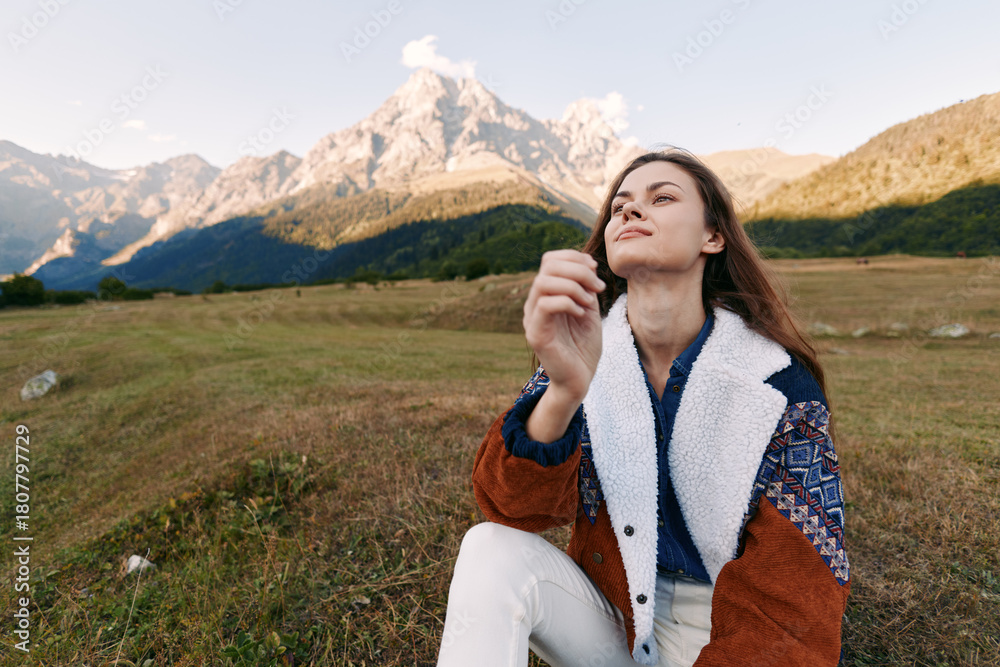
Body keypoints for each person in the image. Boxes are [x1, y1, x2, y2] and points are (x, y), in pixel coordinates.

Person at [436, 149, 850, 666]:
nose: (629, 211)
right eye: (619, 205)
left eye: (662, 198)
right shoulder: (586, 351)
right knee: (489, 549)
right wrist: (563, 392)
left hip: (727, 624)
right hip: (616, 607)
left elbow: (793, 602)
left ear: (712, 236)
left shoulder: (777, 385)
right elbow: (513, 507)